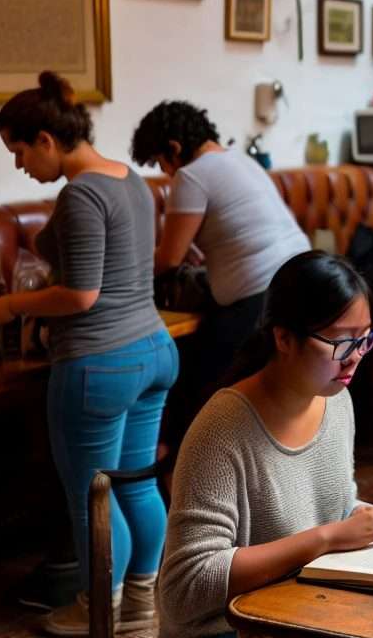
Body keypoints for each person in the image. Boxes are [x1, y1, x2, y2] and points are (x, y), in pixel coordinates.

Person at [158, 251, 373, 638]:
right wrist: (327, 537)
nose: (355, 358)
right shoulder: (223, 429)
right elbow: (188, 586)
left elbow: (334, 506)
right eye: (340, 342)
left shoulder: (336, 399)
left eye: (365, 339)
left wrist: (370, 519)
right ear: (284, 338)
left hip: (299, 610)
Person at [0, 71, 178, 638]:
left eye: (19, 151)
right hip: (153, 351)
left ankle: (99, 607)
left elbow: (81, 294)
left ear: (46, 139)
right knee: (134, 483)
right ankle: (140, 602)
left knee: (90, 495)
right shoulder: (131, 180)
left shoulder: (82, 193)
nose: (19, 165)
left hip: (101, 363)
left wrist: (13, 306)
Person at [129, 99, 310, 452]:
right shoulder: (239, 159)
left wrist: (123, 259)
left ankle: (178, 470)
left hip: (260, 298)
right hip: (303, 281)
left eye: (160, 162)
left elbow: (168, 260)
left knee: (191, 386)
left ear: (174, 149)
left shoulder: (192, 175)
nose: (165, 172)